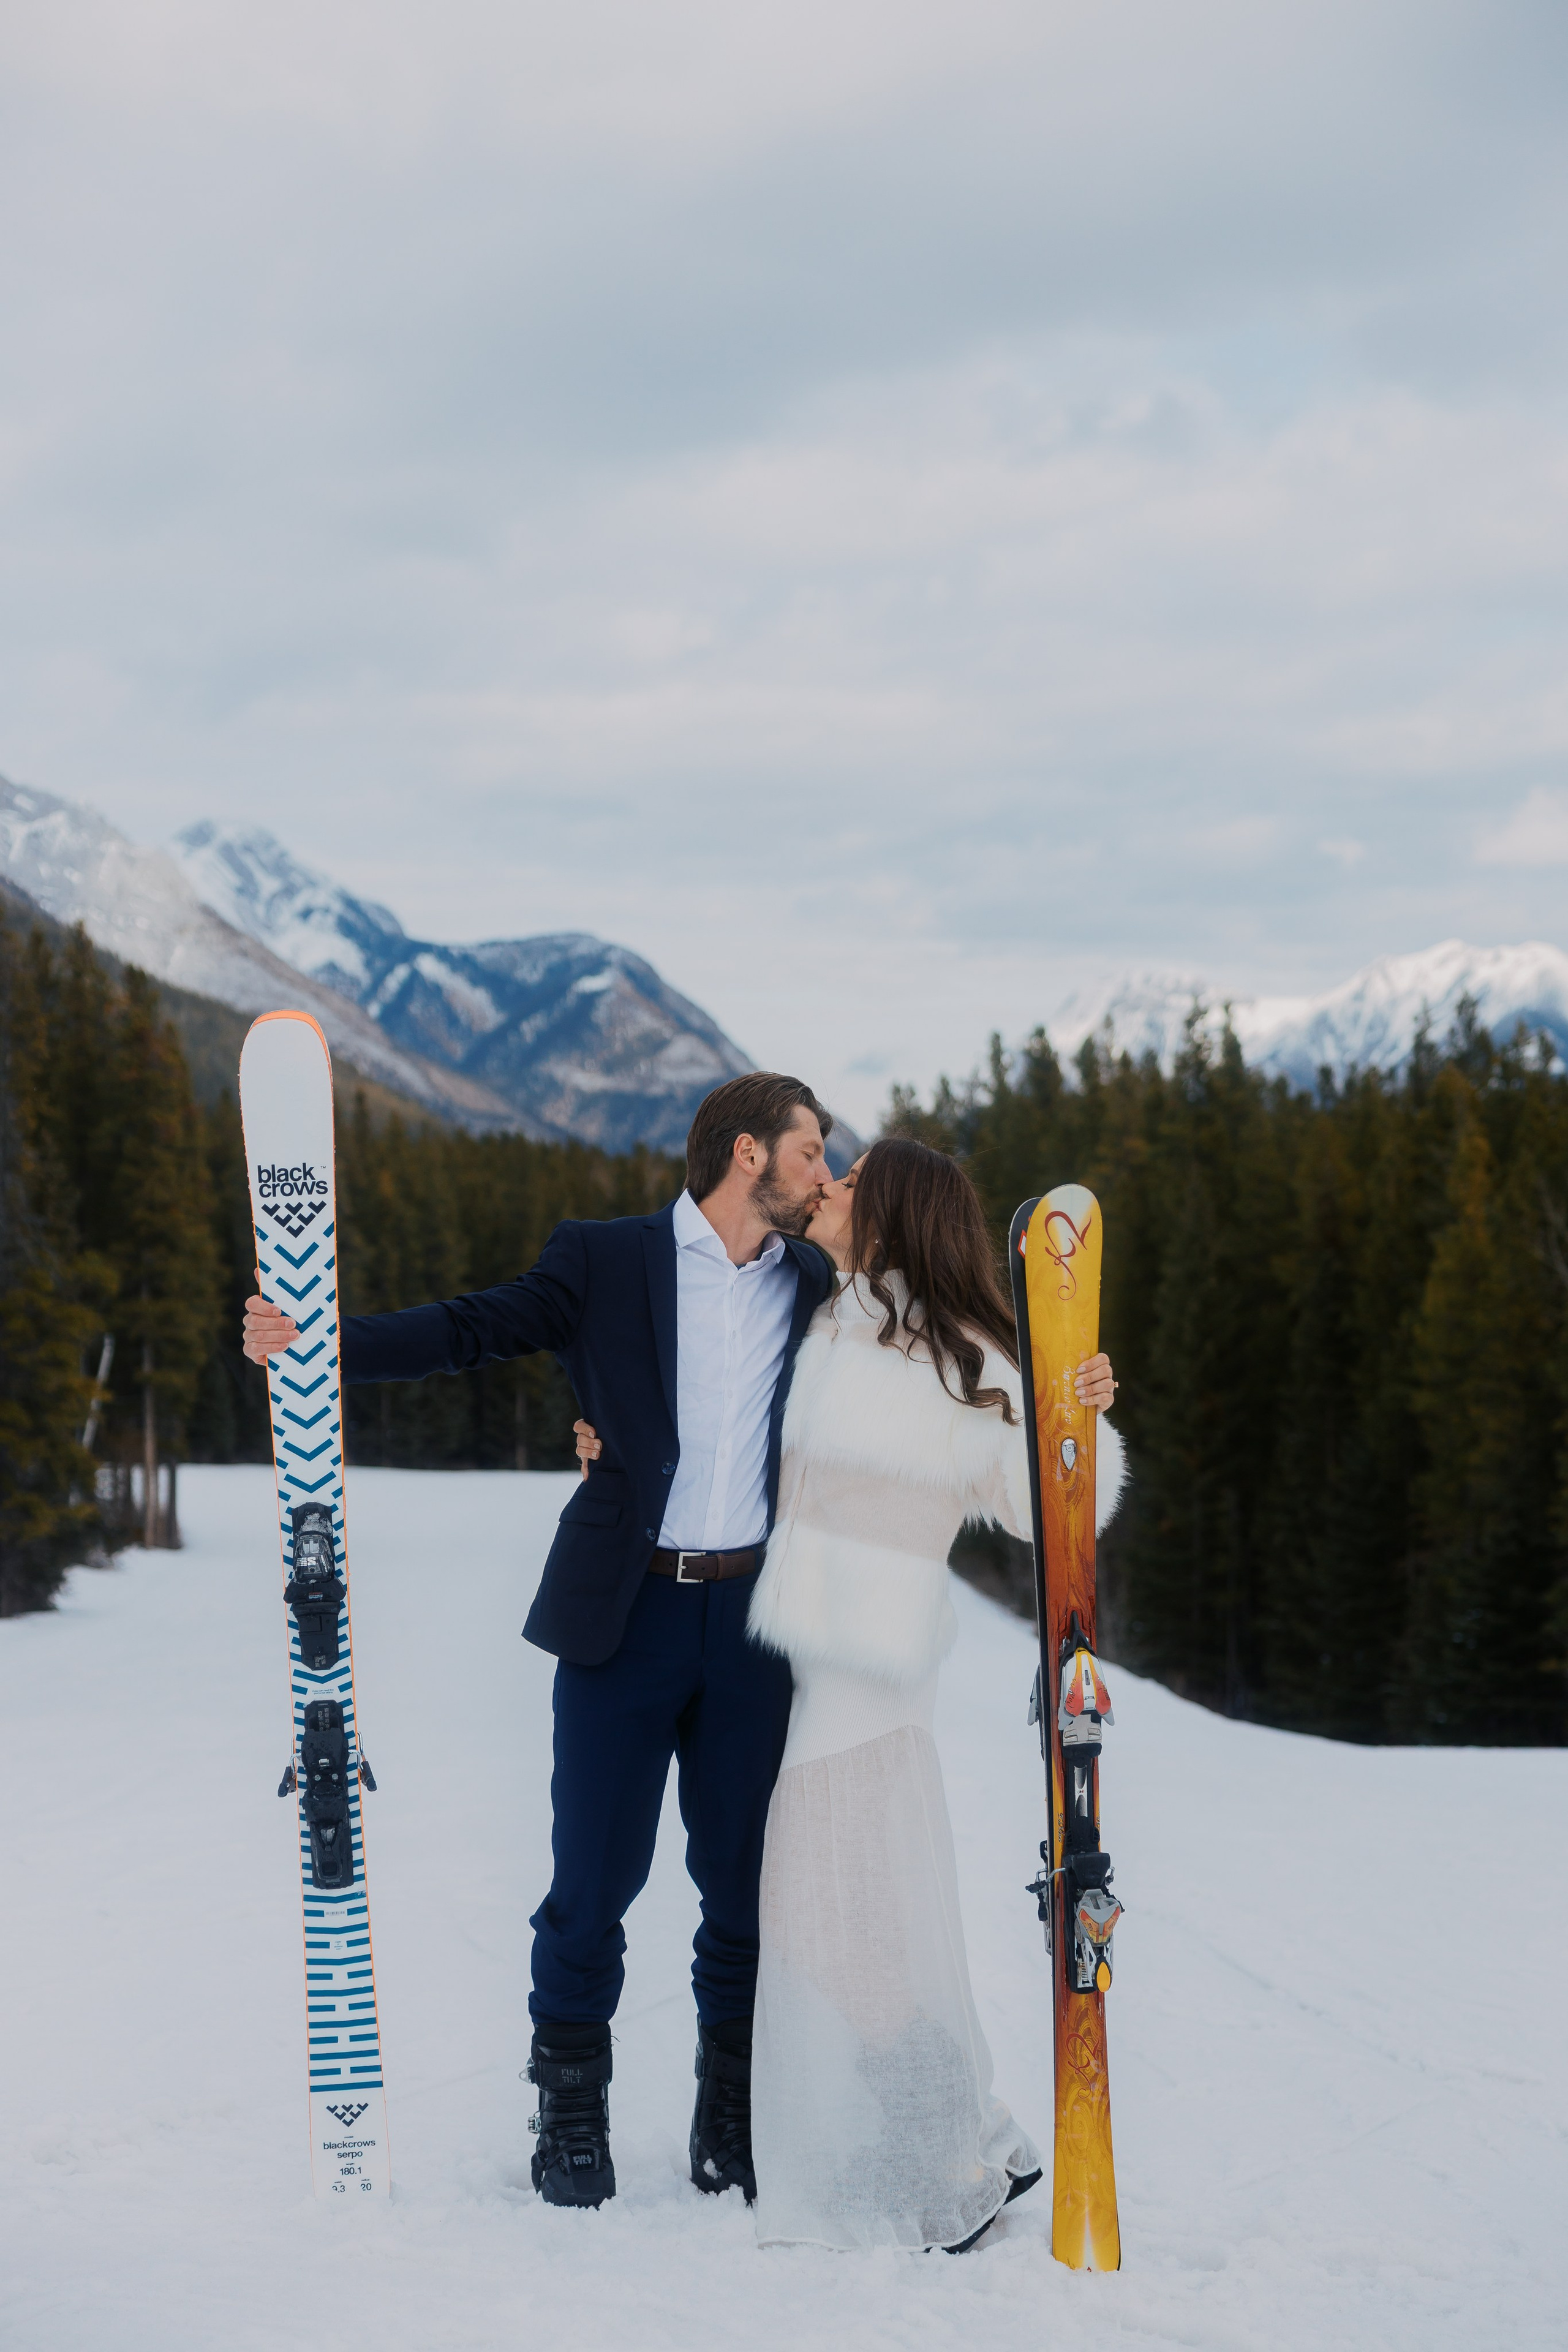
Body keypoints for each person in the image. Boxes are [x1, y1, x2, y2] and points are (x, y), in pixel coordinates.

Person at [241, 1071, 839, 2211]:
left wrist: (1069, 1384)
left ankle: (731, 2111)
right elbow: (472, 1327)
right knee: (592, 1880)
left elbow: (927, 1349)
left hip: (755, 1625)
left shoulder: (812, 1280)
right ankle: (570, 2111)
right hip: (625, 1615)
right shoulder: (606, 1259)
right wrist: (317, 1344)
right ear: (749, 1154)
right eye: (812, 1150)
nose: (826, 1174)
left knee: (746, 1885)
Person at [575, 1136, 1117, 2252]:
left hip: (868, 1667)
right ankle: (967, 2134)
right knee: (842, 1916)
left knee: (833, 1916)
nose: (828, 1184)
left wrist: (1079, 1409)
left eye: (854, 1181)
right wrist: (610, 1437)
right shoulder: (830, 1314)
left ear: (895, 1212)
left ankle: (947, 2152)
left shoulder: (957, 1350)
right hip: (795, 1655)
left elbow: (1053, 1510)